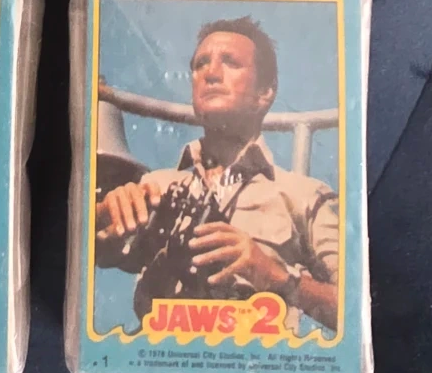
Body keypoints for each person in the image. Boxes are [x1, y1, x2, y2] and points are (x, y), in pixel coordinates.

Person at [96, 17, 339, 333]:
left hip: (253, 356)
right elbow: (79, 261)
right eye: (200, 65)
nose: (210, 73)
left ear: (265, 92)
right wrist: (101, 215)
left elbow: (355, 311)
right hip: (159, 351)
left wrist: (276, 276)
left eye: (231, 62)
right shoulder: (155, 186)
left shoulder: (303, 195)